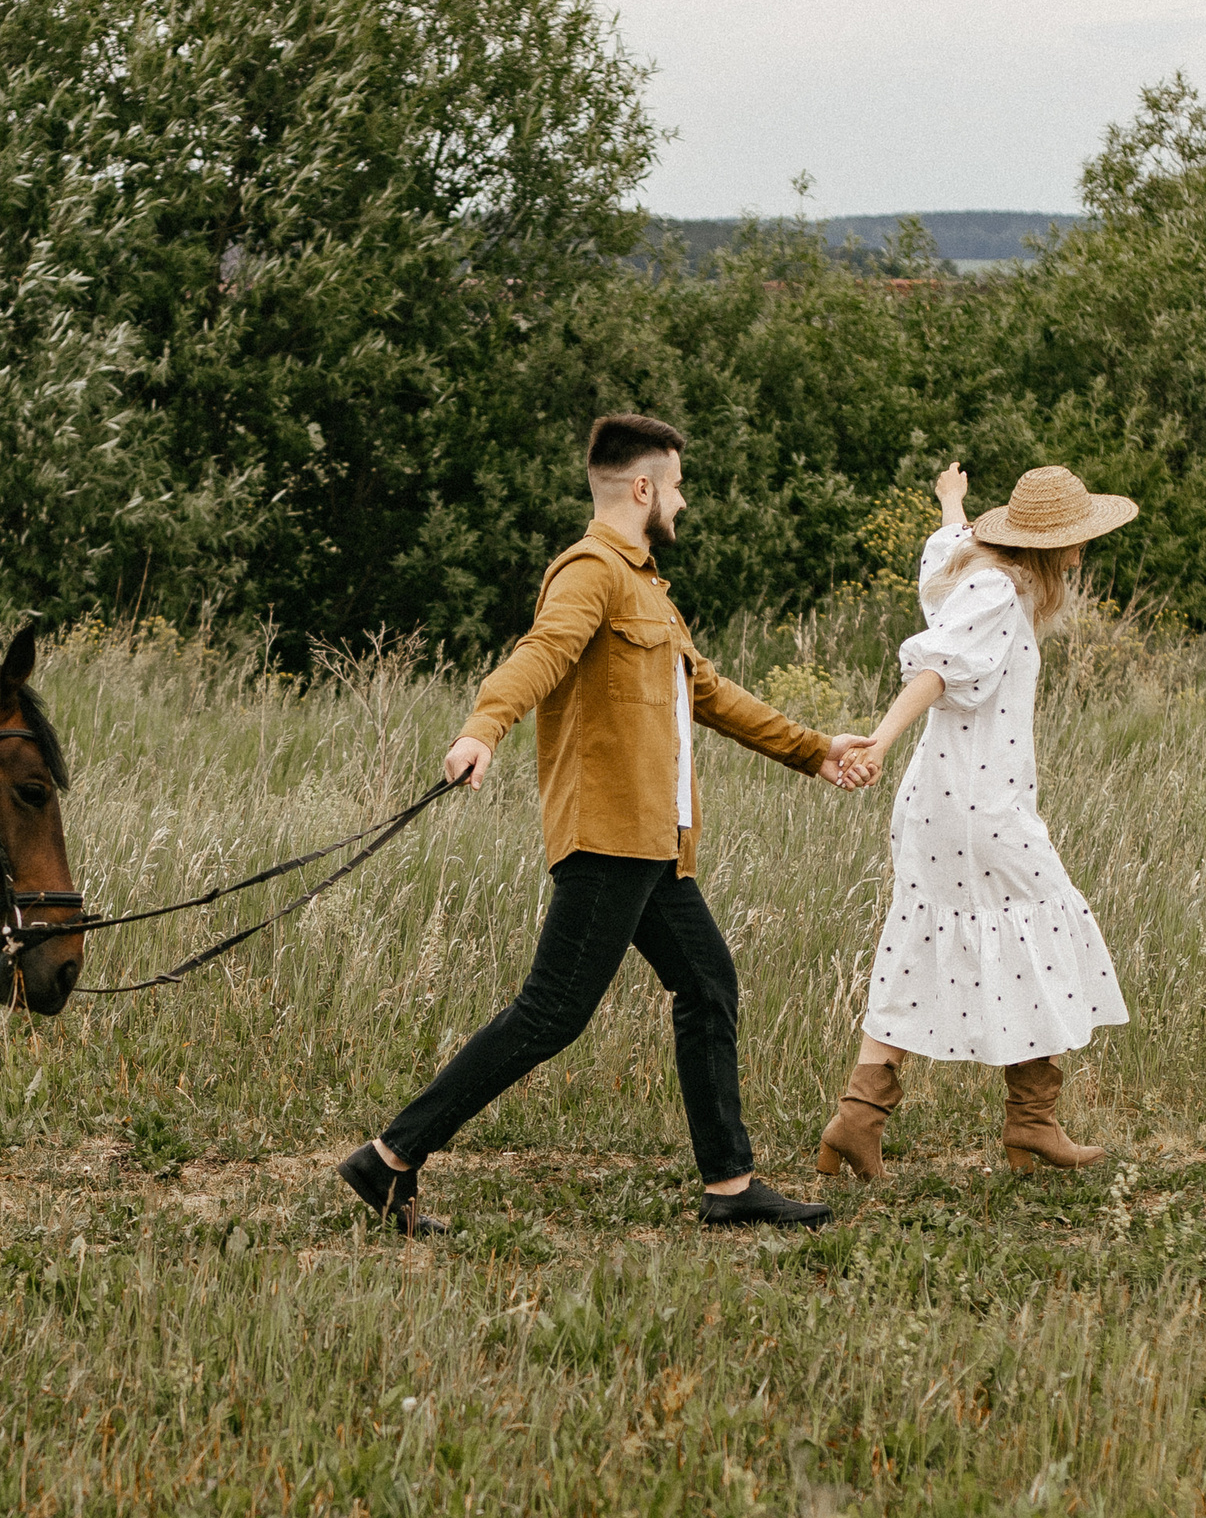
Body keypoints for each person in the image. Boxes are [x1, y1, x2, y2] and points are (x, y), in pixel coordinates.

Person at [338, 413, 869, 1236]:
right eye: (680, 485)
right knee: (551, 1013)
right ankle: (391, 1159)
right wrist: (483, 728)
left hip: (655, 843)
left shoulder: (649, 589)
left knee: (707, 985)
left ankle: (730, 1188)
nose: (685, 502)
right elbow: (540, 652)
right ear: (644, 486)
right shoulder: (590, 572)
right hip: (607, 836)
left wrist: (815, 751)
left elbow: (711, 695)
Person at [817, 462, 1133, 1181]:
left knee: (937, 938)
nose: (1085, 549)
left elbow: (941, 554)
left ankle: (859, 1120)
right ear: (1049, 545)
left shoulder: (970, 570)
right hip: (976, 809)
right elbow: (937, 669)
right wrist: (881, 737)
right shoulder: (996, 589)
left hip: (950, 802)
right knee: (1040, 926)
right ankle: (1030, 1122)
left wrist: (951, 501)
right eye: (1077, 537)